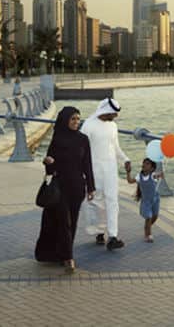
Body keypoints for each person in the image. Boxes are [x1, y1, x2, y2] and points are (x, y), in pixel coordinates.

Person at [35, 107, 95, 273]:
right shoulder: (57, 140)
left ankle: (63, 254)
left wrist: (91, 187)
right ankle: (69, 258)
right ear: (65, 120)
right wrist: (48, 162)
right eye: (73, 119)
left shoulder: (83, 139)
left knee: (72, 222)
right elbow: (50, 169)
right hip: (60, 186)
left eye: (78, 119)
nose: (76, 122)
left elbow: (87, 165)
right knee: (64, 222)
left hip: (77, 187)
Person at [81, 98, 131, 250]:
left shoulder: (113, 126)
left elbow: (115, 147)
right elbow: (81, 151)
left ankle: (113, 236)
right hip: (93, 171)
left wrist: (125, 160)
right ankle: (99, 232)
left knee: (112, 202)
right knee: (96, 203)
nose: (115, 116)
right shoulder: (88, 125)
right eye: (113, 113)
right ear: (105, 111)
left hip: (110, 170)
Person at [126, 158, 163, 243]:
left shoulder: (153, 175)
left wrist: (161, 175)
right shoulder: (139, 176)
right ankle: (148, 235)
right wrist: (128, 172)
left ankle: (147, 227)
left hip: (155, 199)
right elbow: (130, 181)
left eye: (147, 164)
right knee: (148, 217)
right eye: (144, 163)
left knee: (155, 216)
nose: (144, 165)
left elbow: (158, 175)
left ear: (152, 168)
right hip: (146, 201)